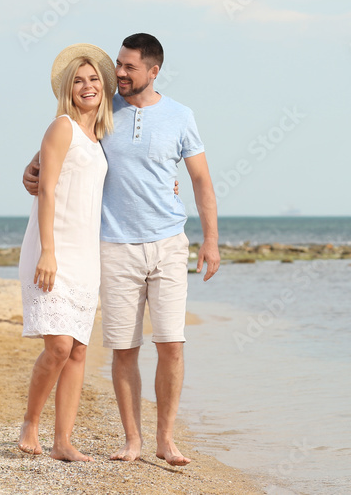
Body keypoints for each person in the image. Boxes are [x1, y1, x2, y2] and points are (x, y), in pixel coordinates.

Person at [23, 32, 220, 467]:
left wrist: (210, 240)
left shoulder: (181, 116)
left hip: (169, 243)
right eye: (118, 64)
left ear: (154, 71)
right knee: (123, 348)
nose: (120, 74)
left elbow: (201, 181)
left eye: (129, 67)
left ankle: (165, 440)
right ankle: (133, 440)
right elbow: (59, 149)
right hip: (112, 246)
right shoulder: (103, 109)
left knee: (171, 343)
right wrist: (30, 168)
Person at [17, 44, 115, 461]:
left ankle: (62, 443)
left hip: (85, 256)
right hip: (52, 249)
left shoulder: (100, 138)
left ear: (105, 87)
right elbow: (48, 190)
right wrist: (48, 251)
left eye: (93, 79)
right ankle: (29, 425)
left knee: (77, 350)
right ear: (67, 89)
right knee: (57, 347)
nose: (87, 86)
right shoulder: (62, 127)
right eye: (78, 80)